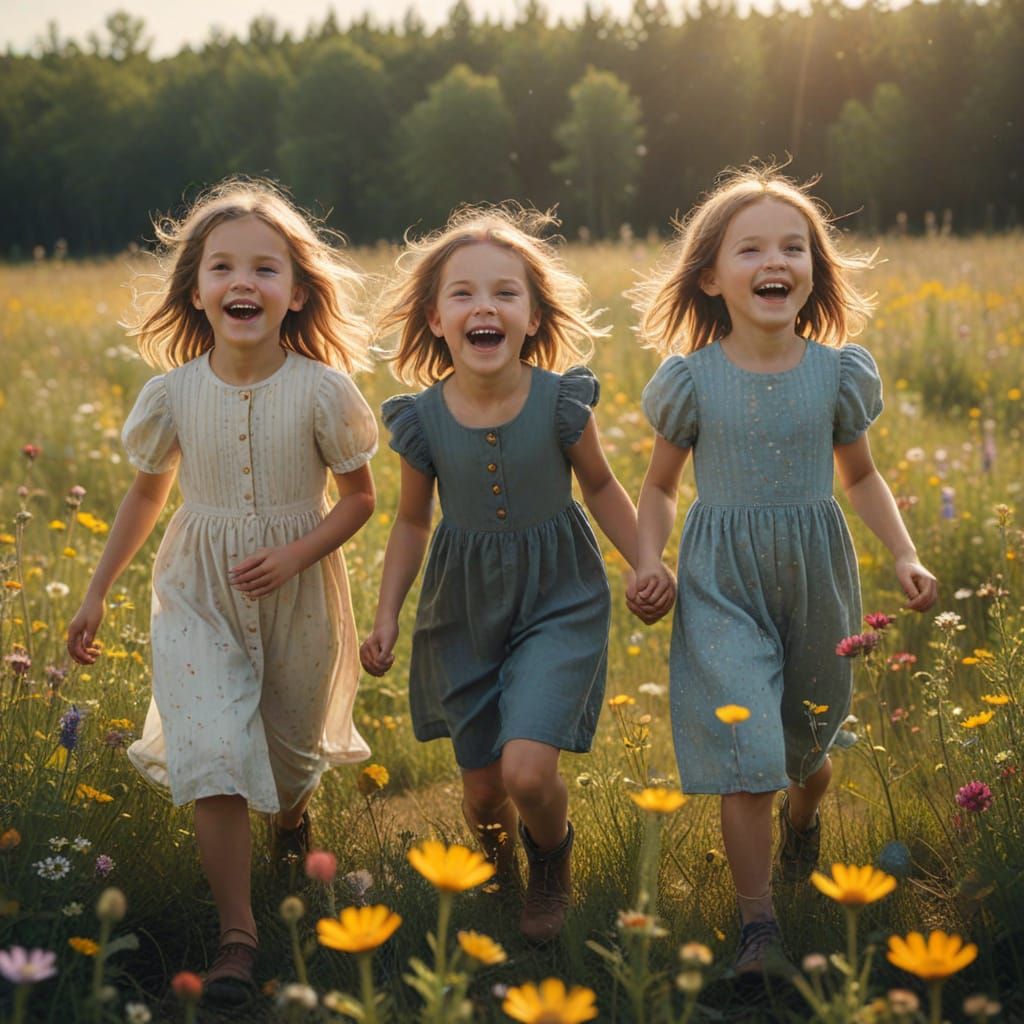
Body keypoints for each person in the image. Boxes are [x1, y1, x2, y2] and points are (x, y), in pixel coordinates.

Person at [66, 179, 378, 1005]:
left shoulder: (322, 391)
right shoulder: (171, 395)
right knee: (214, 754)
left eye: (265, 268)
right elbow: (143, 496)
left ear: (297, 292)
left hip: (298, 591)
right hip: (196, 592)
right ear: (197, 291)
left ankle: (292, 817)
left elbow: (360, 501)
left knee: (287, 752)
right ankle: (238, 934)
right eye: (224, 267)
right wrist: (97, 591)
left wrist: (295, 553)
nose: (244, 282)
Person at [629, 165, 938, 975]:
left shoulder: (838, 372)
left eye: (794, 247)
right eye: (753, 247)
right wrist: (646, 557)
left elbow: (861, 477)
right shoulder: (691, 380)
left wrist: (904, 551)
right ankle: (757, 925)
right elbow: (659, 487)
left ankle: (806, 823)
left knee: (808, 745)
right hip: (720, 580)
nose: (777, 260)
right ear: (711, 276)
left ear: (812, 270)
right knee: (749, 751)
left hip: (817, 574)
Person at [359, 204, 671, 943]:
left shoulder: (564, 405)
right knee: (482, 792)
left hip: (559, 596)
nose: (484, 306)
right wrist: (385, 615)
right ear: (435, 319)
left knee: (528, 773)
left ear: (532, 317)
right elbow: (410, 522)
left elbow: (599, 488)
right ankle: (496, 879)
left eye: (505, 292)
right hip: (461, 609)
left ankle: (551, 869)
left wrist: (649, 563)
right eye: (463, 293)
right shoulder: (421, 422)